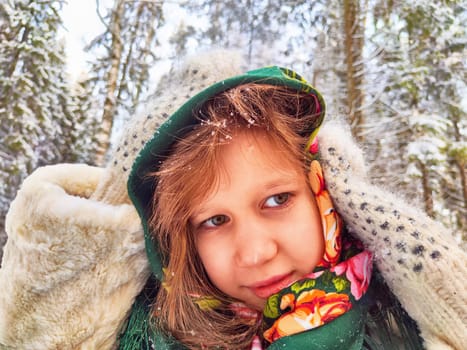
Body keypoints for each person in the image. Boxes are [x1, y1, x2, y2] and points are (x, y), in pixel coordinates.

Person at [0, 50, 465, 350]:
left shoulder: (398, 326)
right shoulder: (147, 335)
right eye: (214, 220)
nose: (256, 252)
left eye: (277, 199)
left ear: (322, 193)